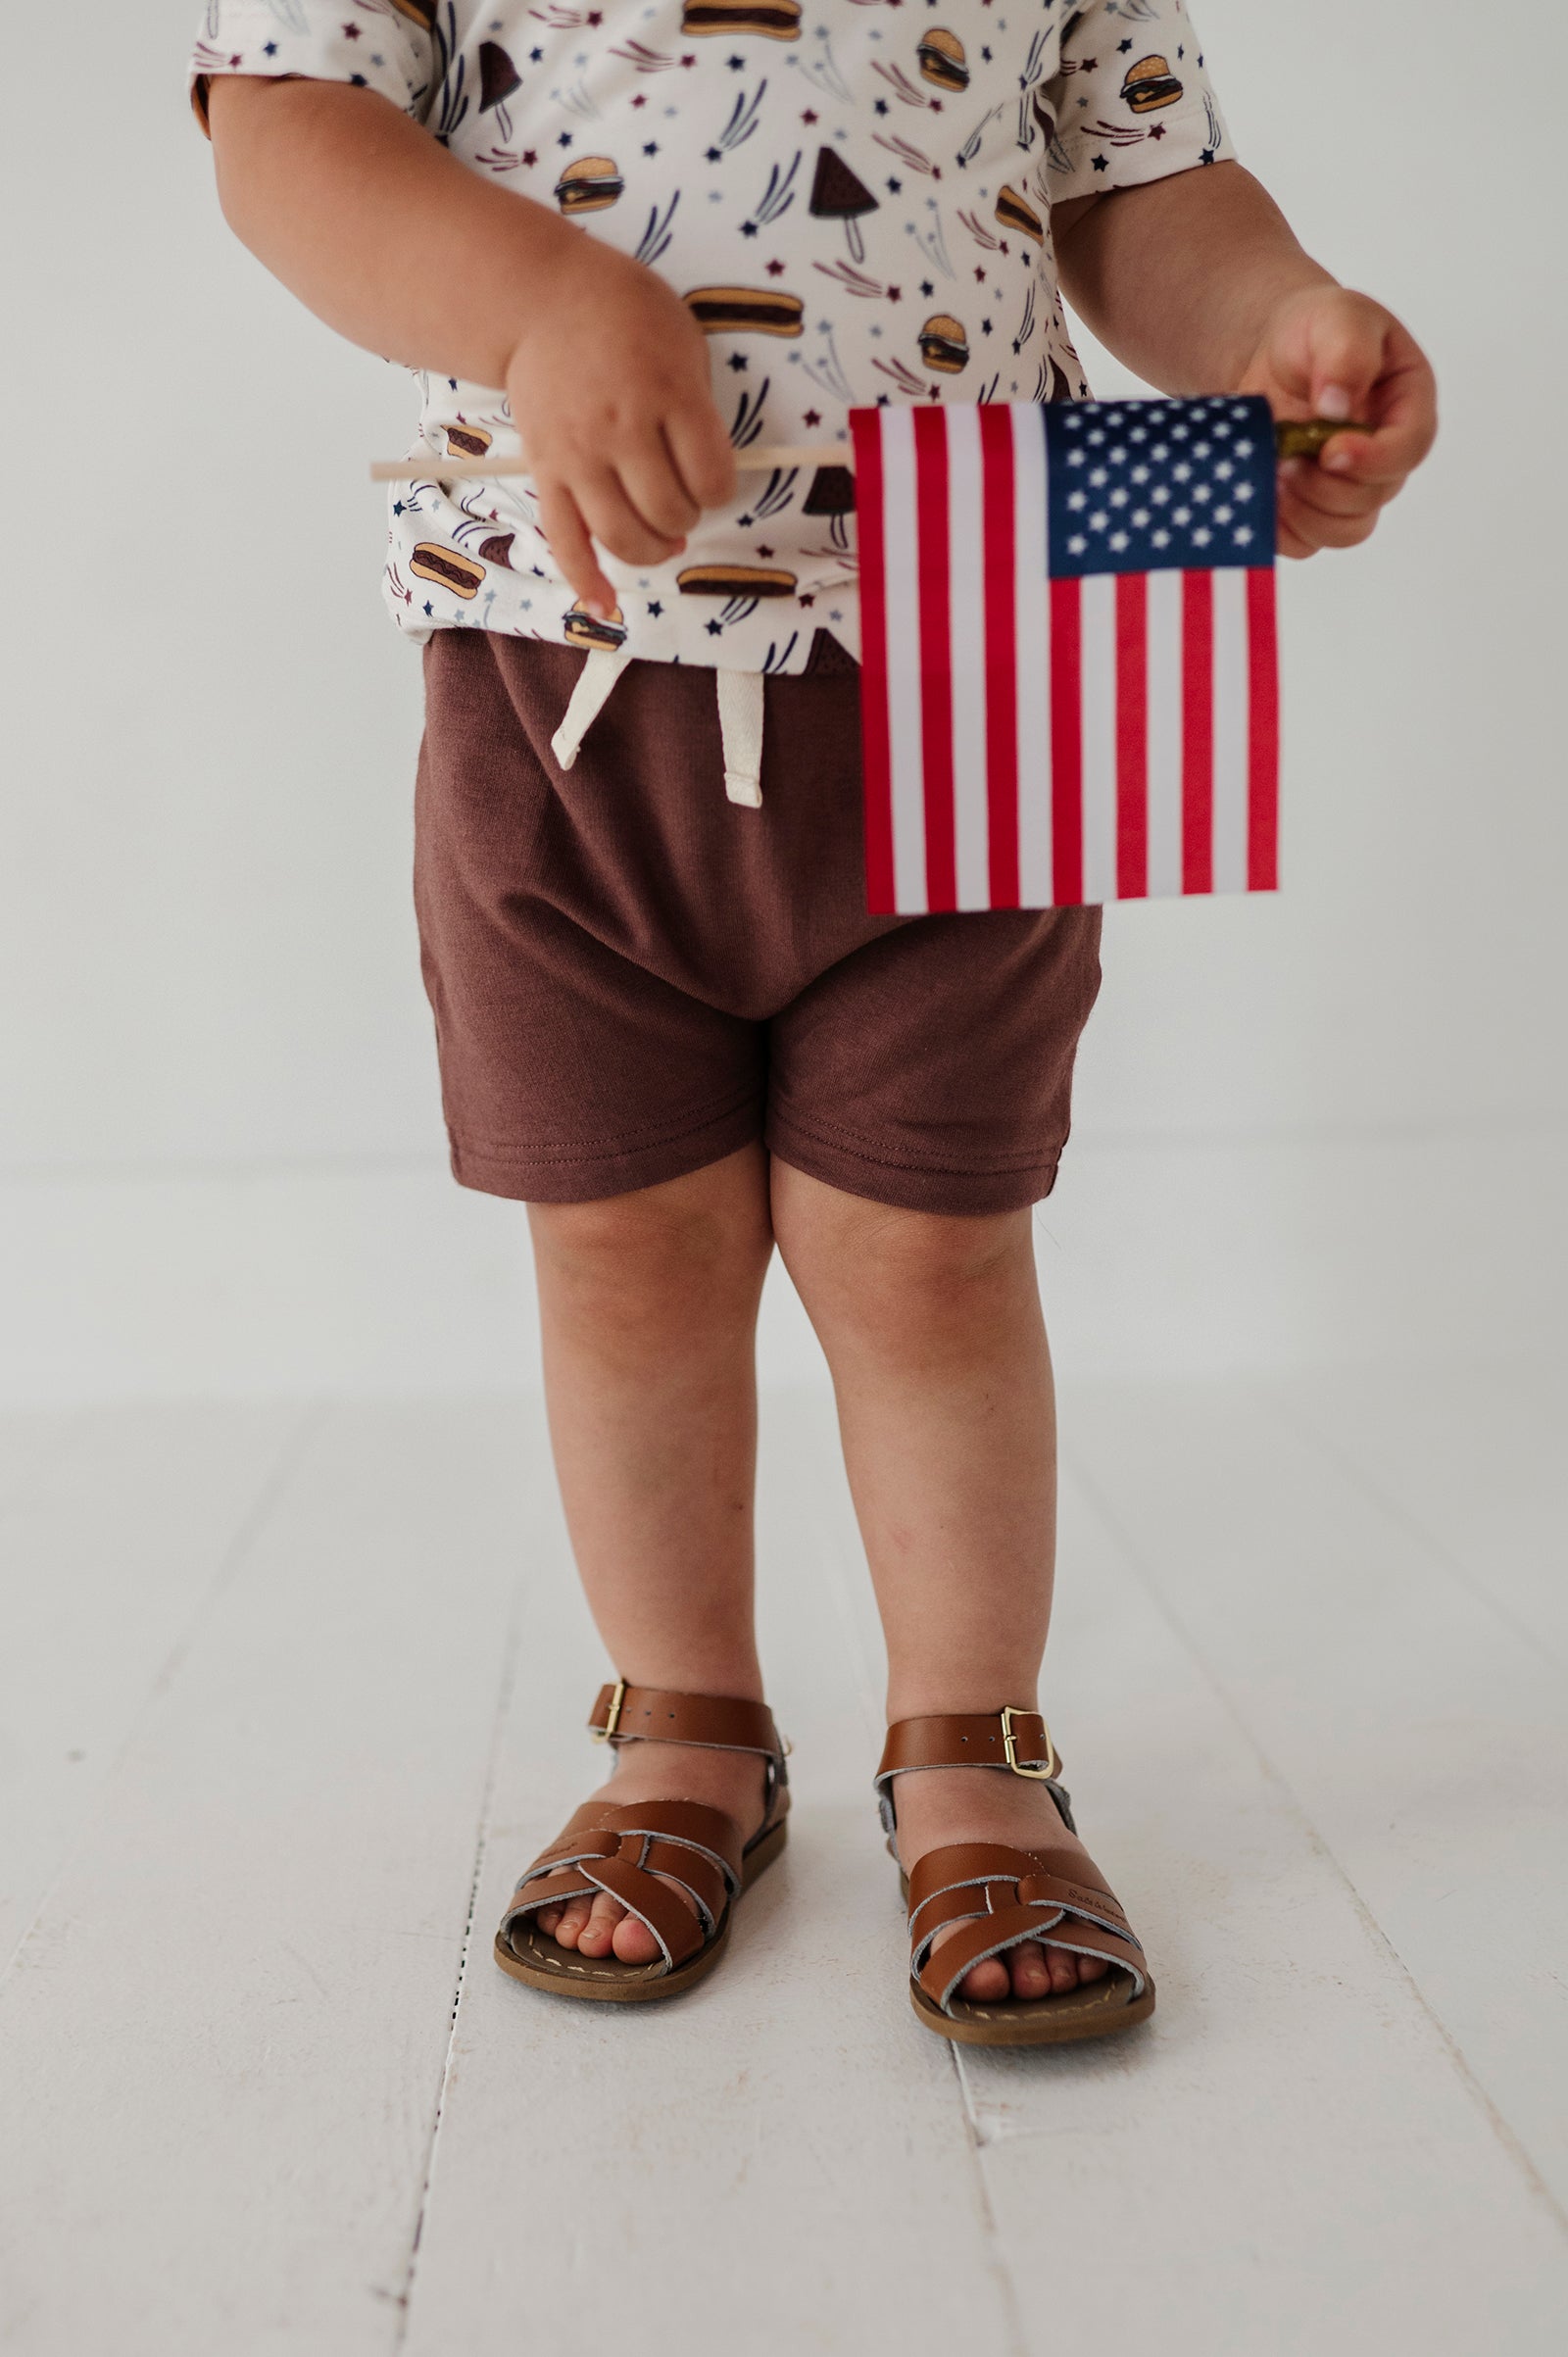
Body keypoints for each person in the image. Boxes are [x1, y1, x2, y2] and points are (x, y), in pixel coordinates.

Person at [191, 0, 1436, 2045]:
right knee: (622, 1251)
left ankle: (971, 1746)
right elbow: (282, 131)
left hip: (978, 648)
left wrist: (1268, 326)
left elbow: (1133, 183)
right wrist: (543, 302)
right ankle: (682, 1729)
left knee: (933, 1256)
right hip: (557, 686)